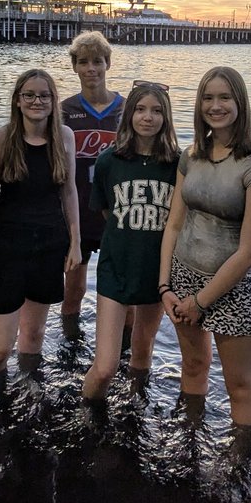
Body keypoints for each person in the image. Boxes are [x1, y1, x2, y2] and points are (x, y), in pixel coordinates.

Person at [159, 66, 251, 433]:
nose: (215, 105)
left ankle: (241, 460)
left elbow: (249, 253)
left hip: (232, 289)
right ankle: (190, 441)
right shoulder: (191, 155)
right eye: (208, 98)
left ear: (240, 102)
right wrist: (165, 286)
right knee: (193, 367)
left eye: (225, 97)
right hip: (184, 278)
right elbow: (174, 224)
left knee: (239, 385)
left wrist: (201, 301)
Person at [0, 69, 82, 381]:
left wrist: (75, 242)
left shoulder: (64, 137)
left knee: (34, 336)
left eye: (44, 95)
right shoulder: (2, 139)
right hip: (7, 250)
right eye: (30, 95)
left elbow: (69, 192)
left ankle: (31, 392)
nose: (37, 101)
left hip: (49, 246)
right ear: (18, 101)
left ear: (54, 100)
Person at [82, 82, 179, 404]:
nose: (147, 117)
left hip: (155, 272)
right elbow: (108, 211)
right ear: (129, 115)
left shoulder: (177, 164)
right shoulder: (109, 161)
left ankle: (134, 409)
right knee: (105, 367)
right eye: (140, 109)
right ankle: (88, 415)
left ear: (166, 117)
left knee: (142, 352)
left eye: (156, 111)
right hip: (116, 269)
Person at [60, 32, 124, 341]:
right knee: (74, 289)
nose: (91, 69)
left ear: (107, 63)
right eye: (83, 62)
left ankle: (124, 351)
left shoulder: (127, 109)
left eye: (97, 61)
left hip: (117, 216)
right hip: (79, 215)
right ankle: (70, 346)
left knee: (124, 291)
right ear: (74, 66)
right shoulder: (64, 111)